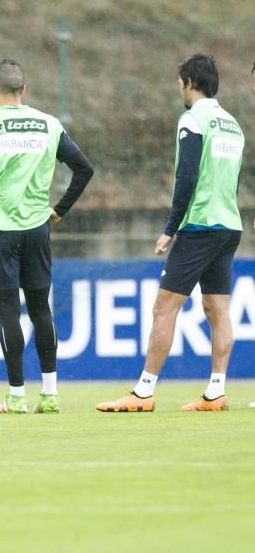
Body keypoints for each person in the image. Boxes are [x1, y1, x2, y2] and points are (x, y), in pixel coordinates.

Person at [98, 54, 243, 413]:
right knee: (218, 307)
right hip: (229, 224)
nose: (178, 87)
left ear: (190, 82)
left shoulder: (193, 120)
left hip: (200, 226)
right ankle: (216, 391)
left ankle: (143, 391)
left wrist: (170, 228)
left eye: (180, 82)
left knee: (164, 307)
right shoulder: (232, 125)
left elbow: (187, 178)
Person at [0, 59, 93, 414]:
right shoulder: (48, 123)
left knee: (8, 313)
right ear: (23, 91)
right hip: (37, 228)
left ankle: (16, 395)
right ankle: (50, 394)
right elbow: (84, 168)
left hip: (0, 229)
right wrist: (59, 209)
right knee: (40, 310)